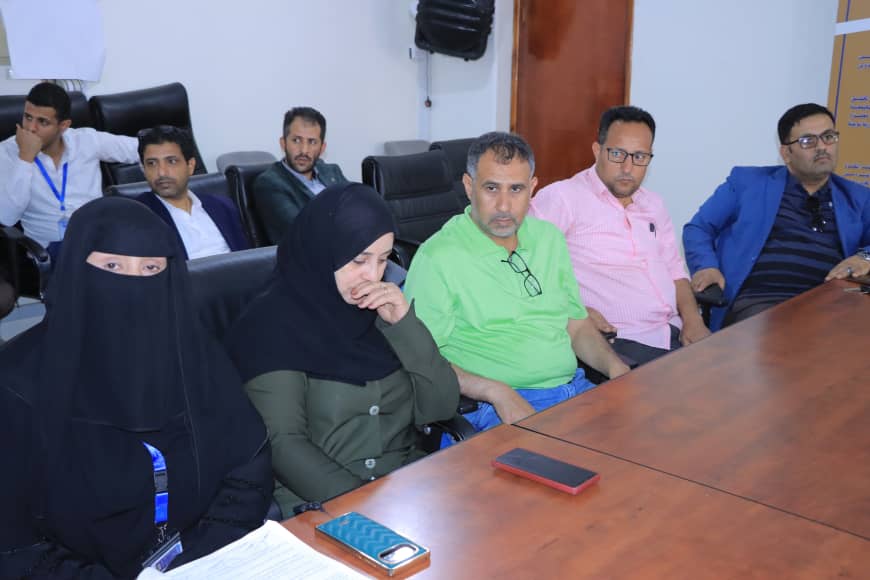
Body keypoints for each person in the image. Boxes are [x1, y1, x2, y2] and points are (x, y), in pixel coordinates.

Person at [0, 197, 272, 578]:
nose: (134, 284)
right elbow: (16, 546)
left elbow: (249, 467)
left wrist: (198, 559)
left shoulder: (195, 355)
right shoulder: (16, 386)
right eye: (112, 266)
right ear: (77, 271)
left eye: (150, 268)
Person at [226, 183, 459, 517]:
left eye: (383, 260)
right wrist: (368, 506)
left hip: (408, 489)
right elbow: (284, 444)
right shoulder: (268, 326)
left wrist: (405, 324)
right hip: (322, 505)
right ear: (323, 251)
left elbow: (441, 406)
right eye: (359, 260)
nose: (372, 275)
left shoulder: (381, 311)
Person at [404, 132, 629, 437]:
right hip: (495, 405)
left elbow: (576, 326)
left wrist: (617, 371)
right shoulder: (438, 257)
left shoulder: (549, 239)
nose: (504, 205)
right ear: (469, 186)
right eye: (491, 188)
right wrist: (495, 391)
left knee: (647, 442)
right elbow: (422, 361)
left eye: (516, 189)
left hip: (574, 390)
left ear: (533, 188)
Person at [530, 106, 709, 364]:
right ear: (597, 151)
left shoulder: (654, 204)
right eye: (617, 154)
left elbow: (675, 271)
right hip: (618, 342)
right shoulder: (563, 198)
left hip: (675, 333)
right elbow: (523, 266)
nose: (628, 167)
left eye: (639, 157)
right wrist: (573, 312)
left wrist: (693, 320)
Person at [684, 103, 870, 330]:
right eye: (808, 141)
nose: (822, 147)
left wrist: (865, 257)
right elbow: (699, 228)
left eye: (828, 137)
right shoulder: (747, 183)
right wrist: (706, 267)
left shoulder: (858, 197)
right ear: (786, 153)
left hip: (828, 306)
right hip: (759, 304)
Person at [0, 82, 139, 248]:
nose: (31, 128)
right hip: (48, 251)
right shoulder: (7, 152)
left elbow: (142, 149)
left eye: (42, 122)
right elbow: (7, 217)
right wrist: (25, 158)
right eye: (28, 117)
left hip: (98, 242)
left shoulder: (87, 140)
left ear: (64, 126)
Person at [135, 125, 250, 260]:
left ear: (190, 165)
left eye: (171, 161)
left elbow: (249, 259)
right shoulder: (137, 215)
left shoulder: (223, 206)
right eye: (152, 163)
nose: (161, 172)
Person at [252, 107, 348, 244]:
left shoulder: (332, 171)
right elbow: (303, 231)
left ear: (322, 148)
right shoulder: (270, 183)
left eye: (312, 142)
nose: (304, 150)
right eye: (296, 140)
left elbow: (360, 208)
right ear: (283, 143)